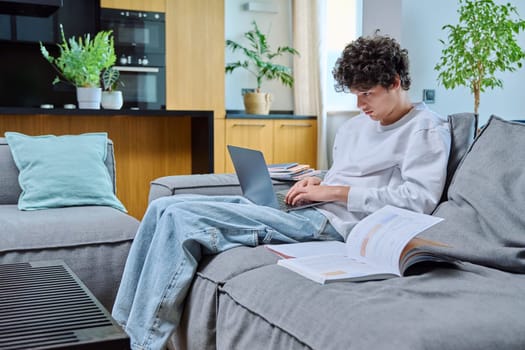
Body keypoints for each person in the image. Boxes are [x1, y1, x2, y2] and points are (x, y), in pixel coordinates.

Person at [112, 35, 451, 350]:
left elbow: (417, 200)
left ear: (394, 82)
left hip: (331, 225)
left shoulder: (425, 129)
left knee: (180, 218)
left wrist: (330, 192)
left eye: (367, 93)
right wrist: (316, 183)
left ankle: (141, 343)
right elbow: (341, 177)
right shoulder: (355, 127)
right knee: (163, 206)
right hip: (311, 209)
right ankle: (118, 331)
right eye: (355, 94)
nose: (360, 103)